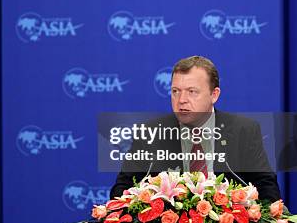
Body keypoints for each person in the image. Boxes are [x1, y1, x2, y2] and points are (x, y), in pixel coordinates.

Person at [110, 55, 281, 202]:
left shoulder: (243, 131)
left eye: (192, 91)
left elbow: (267, 190)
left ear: (214, 95)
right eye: (175, 91)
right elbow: (121, 190)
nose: (181, 99)